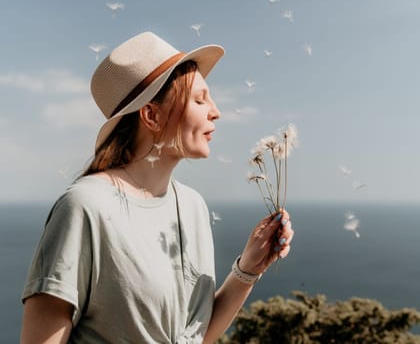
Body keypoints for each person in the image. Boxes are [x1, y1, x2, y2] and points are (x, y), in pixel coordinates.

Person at [20, 31, 294, 344]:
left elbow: (195, 336)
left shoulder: (193, 206)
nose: (215, 111)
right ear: (151, 114)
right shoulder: (85, 206)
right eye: (199, 99)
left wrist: (249, 267)